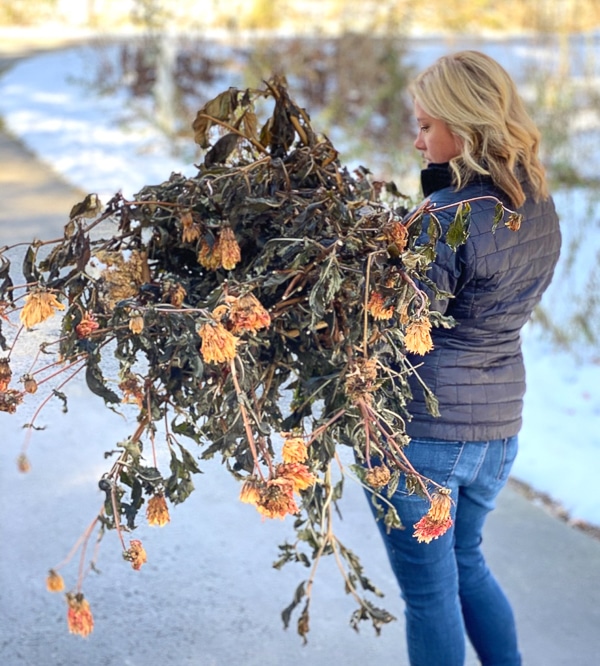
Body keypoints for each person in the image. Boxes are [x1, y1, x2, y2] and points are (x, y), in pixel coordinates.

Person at [370, 51, 562, 666]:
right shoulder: (537, 204)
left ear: (466, 125)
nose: (417, 137)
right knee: (467, 563)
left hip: (426, 434)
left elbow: (401, 325)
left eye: (427, 125)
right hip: (498, 433)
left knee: (430, 596)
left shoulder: (445, 220)